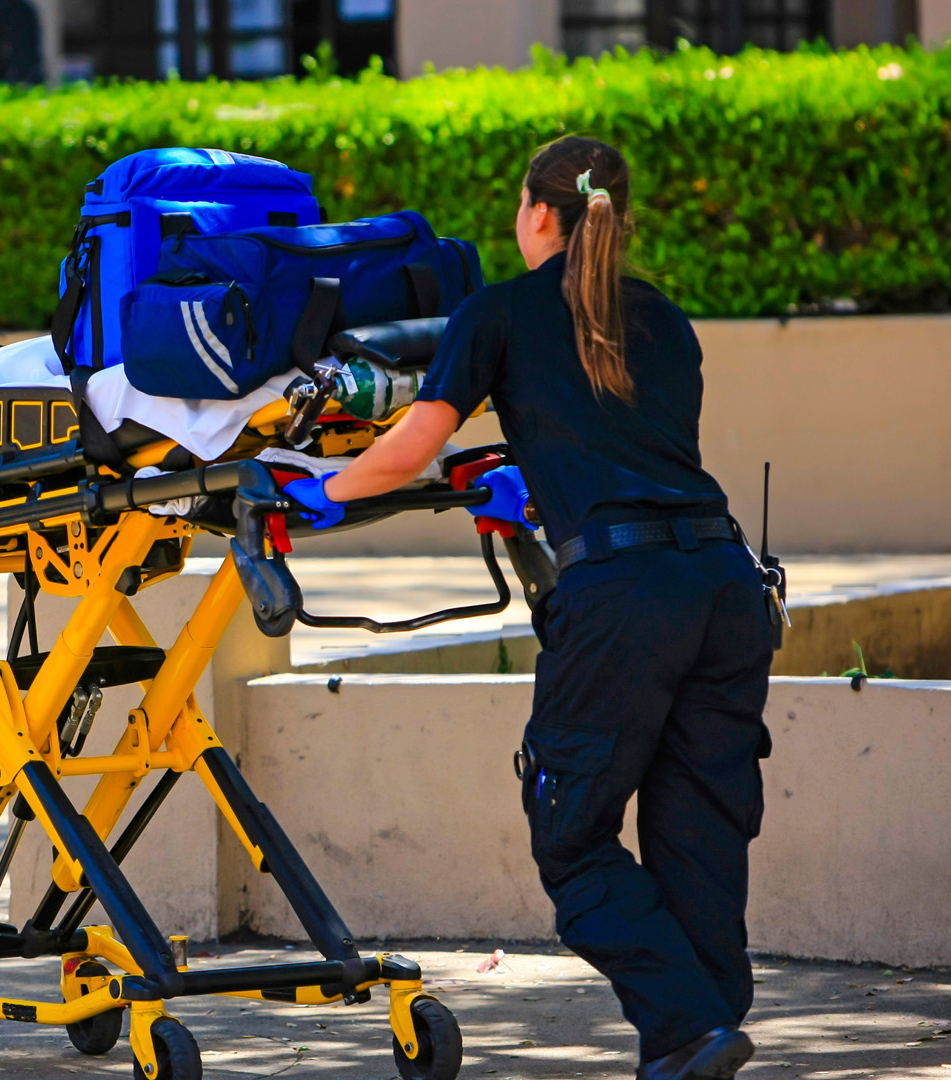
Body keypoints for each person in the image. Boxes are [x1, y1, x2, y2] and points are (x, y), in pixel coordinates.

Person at [284, 136, 770, 1080]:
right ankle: (703, 1034)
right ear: (617, 217)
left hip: (623, 601)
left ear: (537, 214)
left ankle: (687, 1026)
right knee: (699, 826)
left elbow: (408, 451)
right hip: (722, 579)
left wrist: (322, 493)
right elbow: (631, 452)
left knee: (573, 838)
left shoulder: (497, 312)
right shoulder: (666, 319)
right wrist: (538, 490)